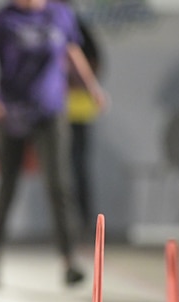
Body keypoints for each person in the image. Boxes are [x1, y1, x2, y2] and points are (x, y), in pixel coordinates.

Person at [0, 0, 106, 287]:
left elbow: (72, 51)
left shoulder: (59, 15)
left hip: (50, 112)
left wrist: (91, 88)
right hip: (11, 113)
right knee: (7, 186)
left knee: (59, 185)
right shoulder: (3, 19)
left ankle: (68, 261)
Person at [66, 14, 103, 232]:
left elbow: (95, 61)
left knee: (77, 167)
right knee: (59, 173)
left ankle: (82, 223)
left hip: (77, 109)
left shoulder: (76, 26)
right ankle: (66, 225)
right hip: (51, 109)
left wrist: (82, 84)